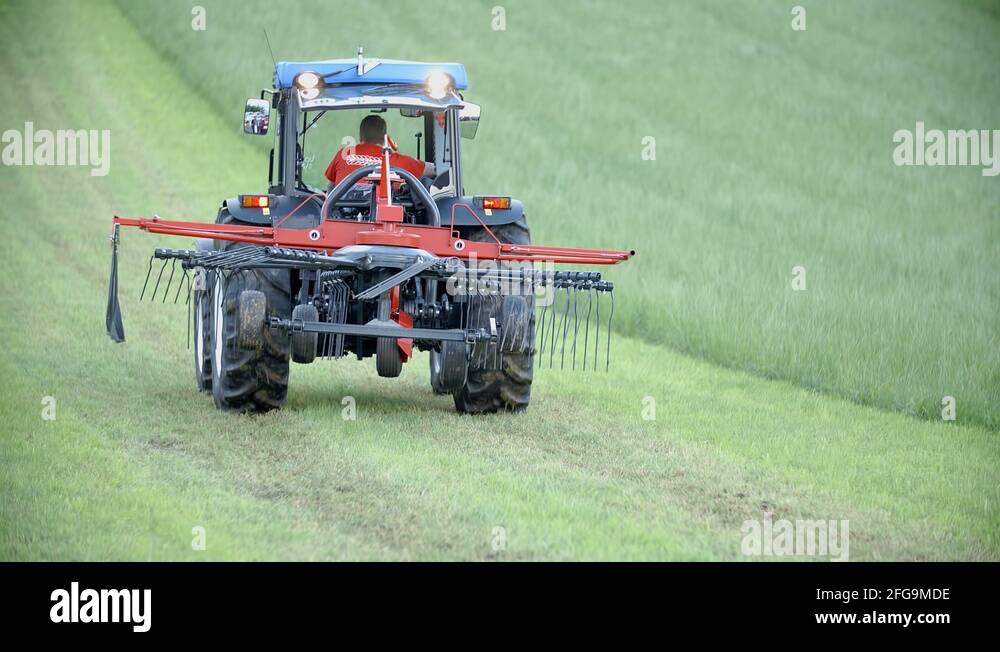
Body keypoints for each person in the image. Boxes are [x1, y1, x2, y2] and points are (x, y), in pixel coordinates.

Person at [325, 114, 434, 189]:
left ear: (360, 136)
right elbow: (435, 169)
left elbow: (331, 187)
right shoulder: (398, 161)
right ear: (385, 138)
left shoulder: (345, 153)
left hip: (342, 216)